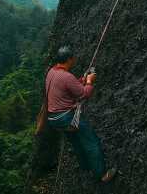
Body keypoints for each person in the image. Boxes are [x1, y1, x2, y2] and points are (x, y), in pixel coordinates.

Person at [45, 45, 117, 183]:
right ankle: (102, 174)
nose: (74, 60)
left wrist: (80, 81)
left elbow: (68, 87)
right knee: (91, 141)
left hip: (54, 119)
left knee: (76, 141)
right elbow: (84, 94)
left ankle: (85, 166)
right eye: (73, 59)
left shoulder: (52, 72)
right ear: (69, 59)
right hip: (66, 118)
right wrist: (89, 82)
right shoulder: (66, 76)